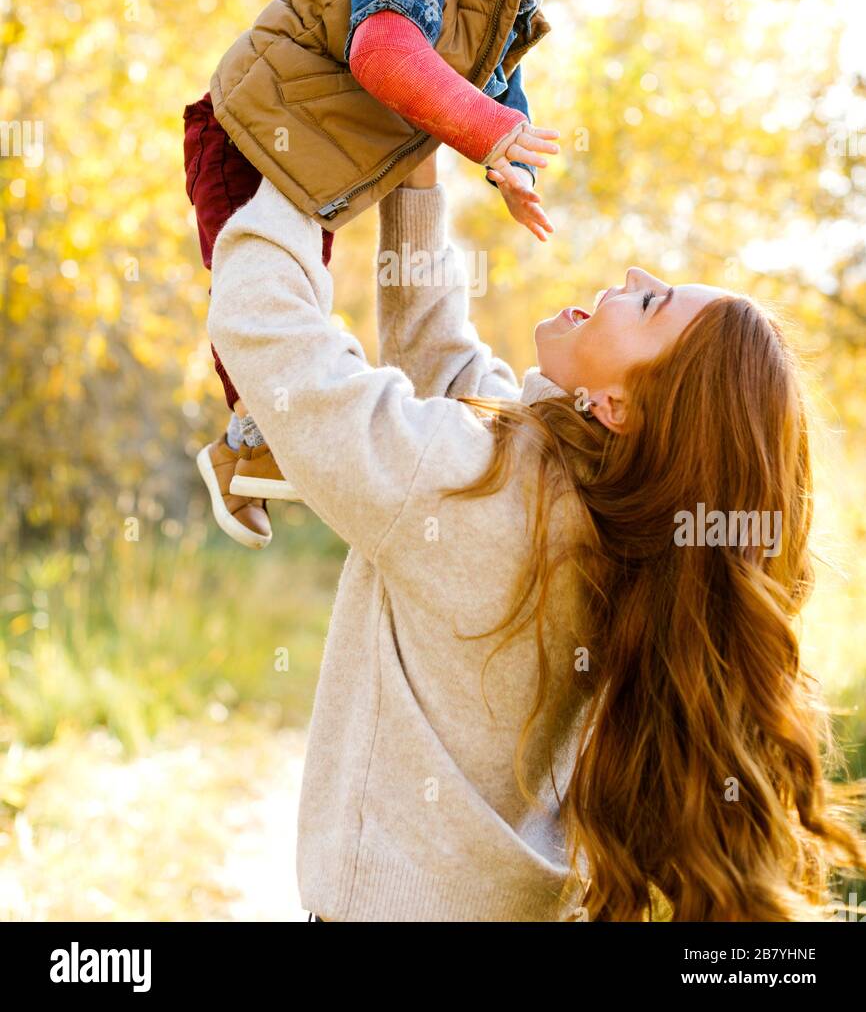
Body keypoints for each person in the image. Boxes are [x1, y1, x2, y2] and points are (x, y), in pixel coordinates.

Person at [206, 148, 866, 922]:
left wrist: (306, 166)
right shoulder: (593, 506)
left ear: (618, 407)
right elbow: (447, 375)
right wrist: (415, 176)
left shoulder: (489, 495)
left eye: (651, 305)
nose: (632, 276)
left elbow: (275, 341)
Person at [183, 0, 627, 547]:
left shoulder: (497, 2)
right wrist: (487, 133)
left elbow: (493, 91)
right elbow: (386, 55)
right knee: (269, 298)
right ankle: (244, 443)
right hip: (249, 127)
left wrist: (511, 171)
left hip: (309, 157)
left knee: (295, 293)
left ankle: (249, 446)